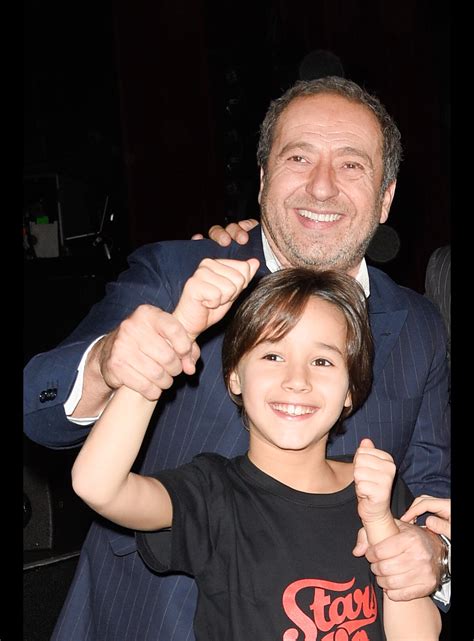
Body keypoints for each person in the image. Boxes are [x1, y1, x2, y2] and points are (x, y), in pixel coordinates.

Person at [24, 76, 450, 641]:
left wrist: (435, 554)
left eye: (351, 165)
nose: (322, 187)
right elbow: (38, 406)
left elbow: (432, 485)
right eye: (299, 157)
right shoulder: (181, 278)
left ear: (386, 196)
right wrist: (108, 364)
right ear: (264, 178)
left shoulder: (419, 324)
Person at [71, 260, 441, 640]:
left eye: (322, 361)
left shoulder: (377, 486)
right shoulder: (213, 494)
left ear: (350, 390)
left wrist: (380, 524)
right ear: (235, 376)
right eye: (272, 356)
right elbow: (98, 485)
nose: (297, 379)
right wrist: (173, 338)